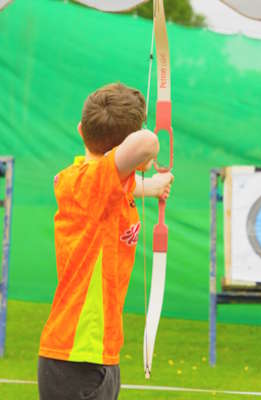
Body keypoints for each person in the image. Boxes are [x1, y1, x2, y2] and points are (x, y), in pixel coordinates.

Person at [37, 82, 174, 400]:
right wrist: (141, 160)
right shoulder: (95, 181)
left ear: (80, 130)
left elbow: (114, 185)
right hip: (75, 355)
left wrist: (150, 185)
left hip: (98, 352)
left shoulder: (84, 180)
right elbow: (147, 141)